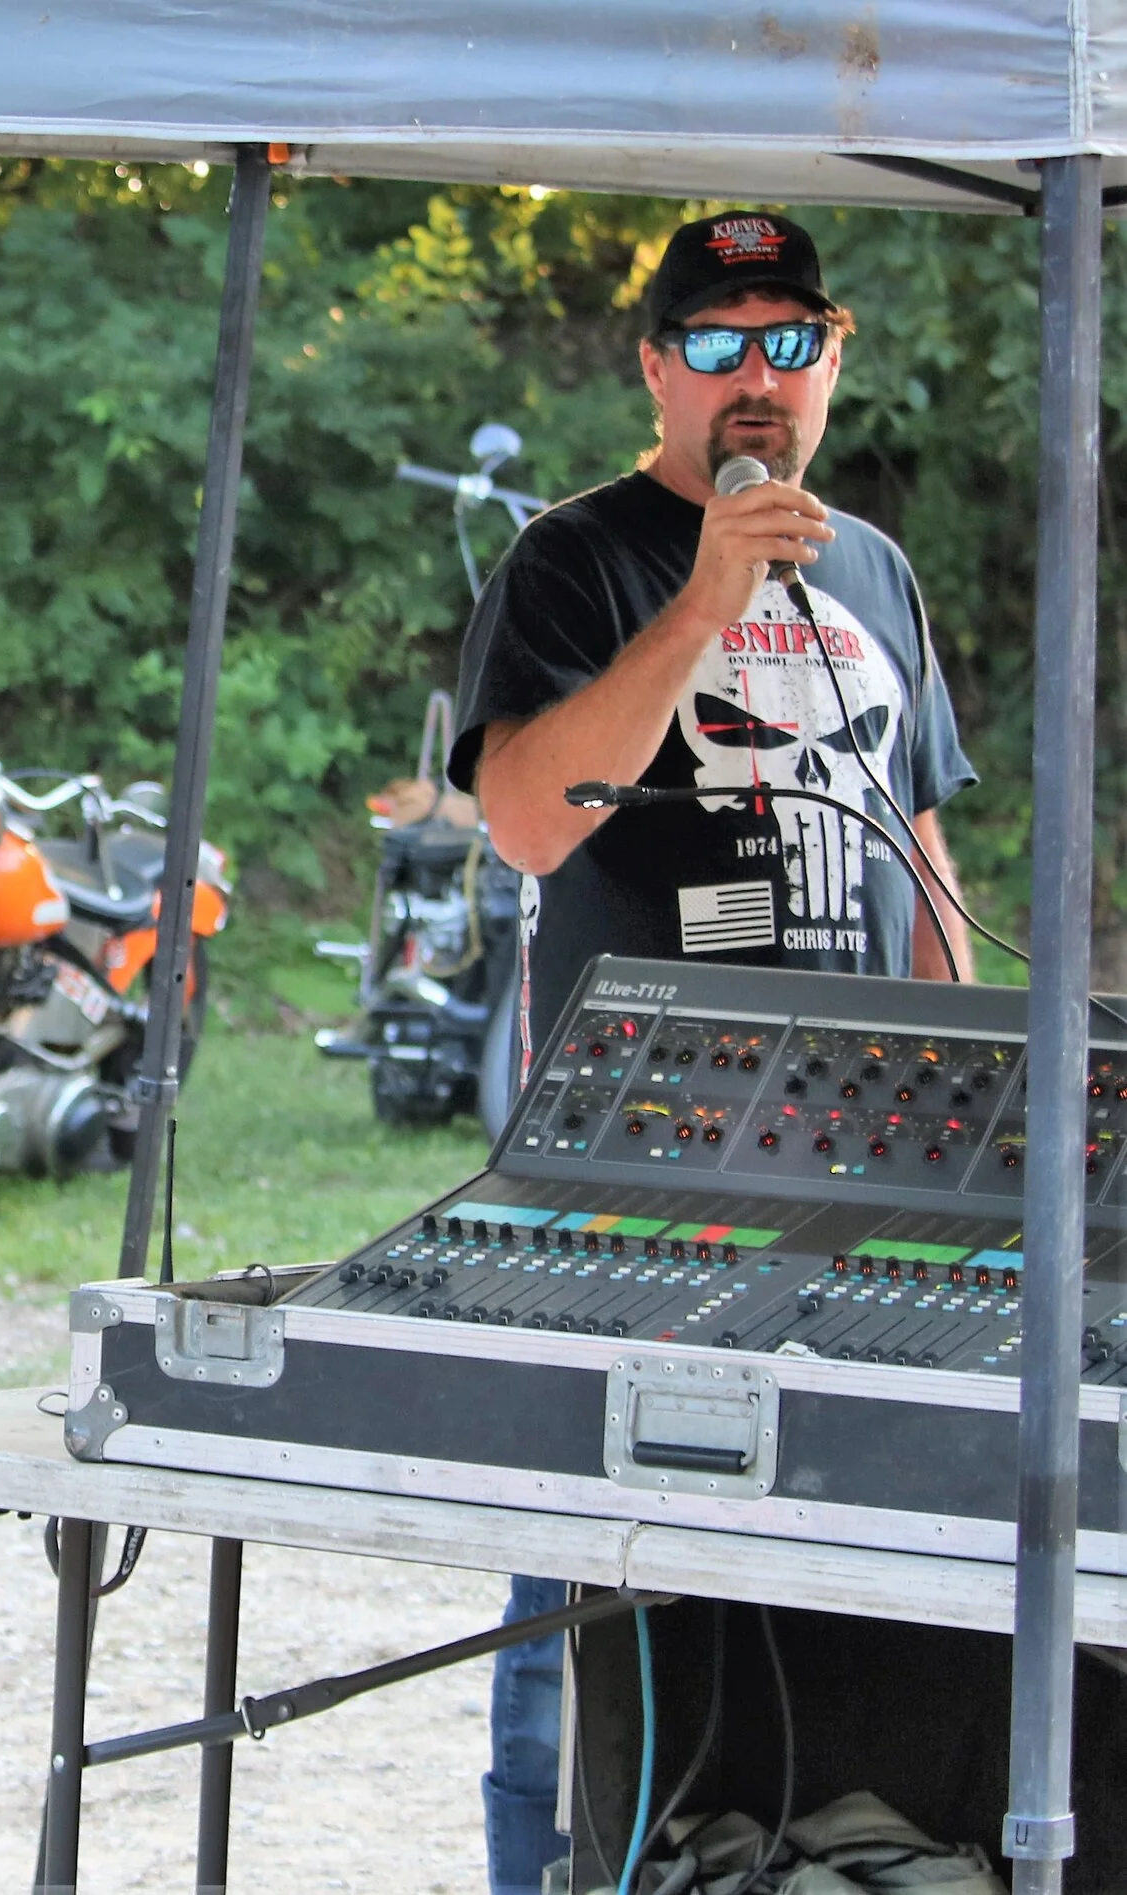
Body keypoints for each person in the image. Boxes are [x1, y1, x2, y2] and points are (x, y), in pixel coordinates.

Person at [446, 211, 977, 1894]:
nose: (760, 381)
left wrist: (981, 1103)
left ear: (833, 356)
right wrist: (703, 606)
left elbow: (927, 857)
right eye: (721, 345)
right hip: (627, 1196)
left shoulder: (879, 571)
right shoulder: (574, 560)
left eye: (789, 341)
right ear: (661, 370)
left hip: (856, 1191)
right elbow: (531, 816)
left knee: (823, 1610)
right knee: (583, 1621)